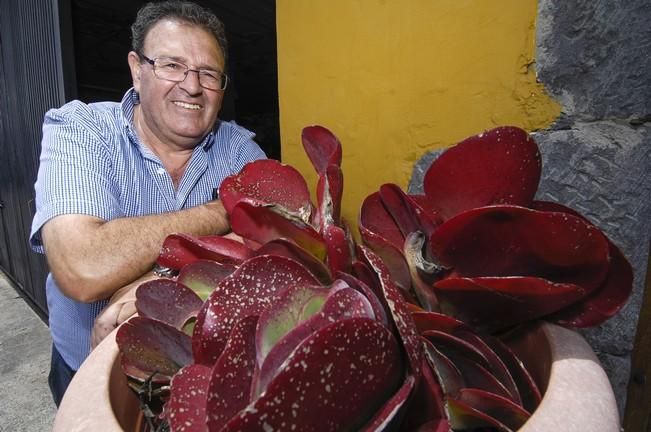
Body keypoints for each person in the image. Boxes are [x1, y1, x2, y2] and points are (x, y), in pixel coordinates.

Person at [29, 1, 265, 407]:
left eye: (207, 73)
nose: (192, 86)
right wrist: (219, 213)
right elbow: (83, 267)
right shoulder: (82, 130)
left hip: (186, 378)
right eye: (171, 65)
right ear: (137, 70)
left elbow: (273, 248)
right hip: (87, 370)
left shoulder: (241, 151)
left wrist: (149, 283)